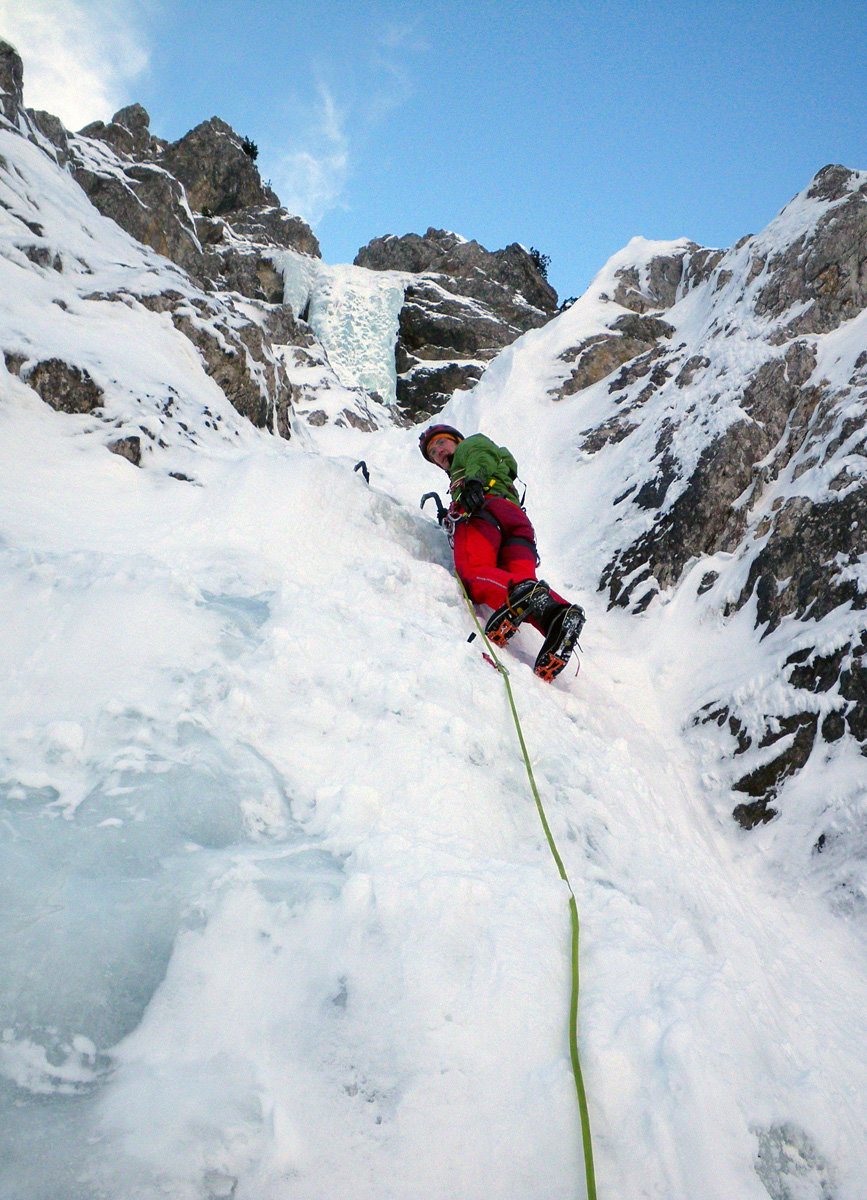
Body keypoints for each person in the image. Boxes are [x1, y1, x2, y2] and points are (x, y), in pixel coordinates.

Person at [419, 424, 585, 682]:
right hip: (516, 525)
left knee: (473, 573)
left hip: (484, 514)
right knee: (525, 587)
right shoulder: (496, 468)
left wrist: (473, 482)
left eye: (441, 444)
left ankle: (529, 600)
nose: (438, 452)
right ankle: (561, 616)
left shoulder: (470, 447)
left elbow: (480, 457)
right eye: (432, 453)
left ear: (456, 441)